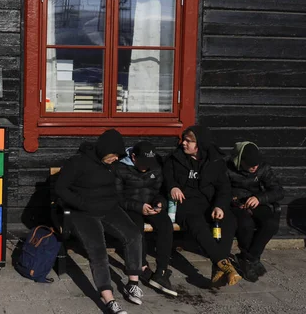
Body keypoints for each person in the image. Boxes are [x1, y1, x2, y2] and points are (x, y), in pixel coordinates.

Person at [55, 129, 144, 314]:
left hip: (109, 209)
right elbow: (60, 188)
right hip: (83, 212)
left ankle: (132, 283)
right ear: (104, 150)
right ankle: (108, 299)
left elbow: (117, 189)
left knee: (134, 234)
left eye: (117, 156)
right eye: (112, 156)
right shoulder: (78, 163)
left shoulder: (112, 165)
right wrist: (82, 204)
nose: (114, 159)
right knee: (98, 250)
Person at [163, 125, 241, 286]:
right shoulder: (175, 158)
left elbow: (224, 188)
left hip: (209, 203)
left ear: (200, 143)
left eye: (188, 141)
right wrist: (173, 187)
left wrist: (219, 206)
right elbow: (166, 178)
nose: (183, 143)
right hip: (185, 204)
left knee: (229, 220)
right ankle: (224, 264)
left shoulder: (215, 161)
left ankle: (218, 267)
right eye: (183, 140)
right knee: (197, 224)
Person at [114, 141, 177, 296]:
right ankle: (141, 266)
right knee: (137, 228)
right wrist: (138, 206)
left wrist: (159, 203)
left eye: (148, 163)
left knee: (166, 226)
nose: (145, 167)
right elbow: (117, 197)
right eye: (143, 163)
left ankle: (161, 270)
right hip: (130, 206)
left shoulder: (155, 165)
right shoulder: (120, 168)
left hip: (151, 205)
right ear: (133, 157)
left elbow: (159, 191)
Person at [227, 142, 283, 282]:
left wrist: (260, 198)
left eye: (256, 164)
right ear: (240, 161)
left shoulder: (262, 168)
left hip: (256, 201)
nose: (254, 167)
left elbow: (278, 191)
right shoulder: (227, 168)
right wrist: (234, 201)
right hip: (235, 204)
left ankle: (247, 258)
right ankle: (251, 260)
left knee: (271, 223)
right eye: (250, 164)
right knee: (245, 224)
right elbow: (220, 190)